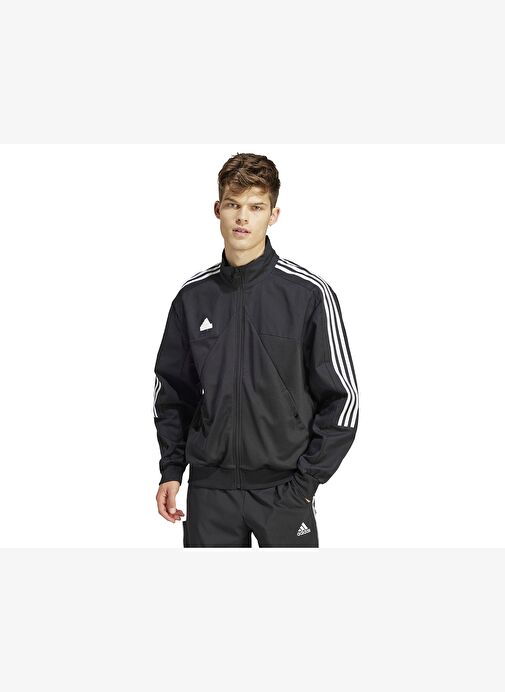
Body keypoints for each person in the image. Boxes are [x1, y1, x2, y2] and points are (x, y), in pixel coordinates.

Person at [153, 152, 359, 547]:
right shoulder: (192, 299)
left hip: (285, 491)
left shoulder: (308, 294)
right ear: (218, 210)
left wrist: (307, 482)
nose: (242, 218)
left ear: (273, 214)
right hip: (210, 493)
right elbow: (173, 393)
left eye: (256, 207)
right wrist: (172, 469)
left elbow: (342, 398)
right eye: (233, 205)